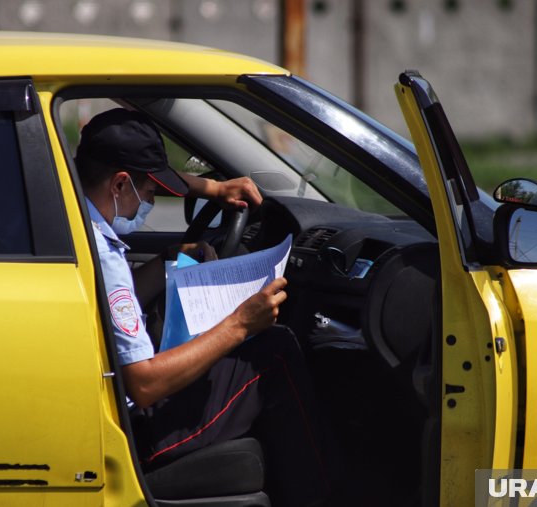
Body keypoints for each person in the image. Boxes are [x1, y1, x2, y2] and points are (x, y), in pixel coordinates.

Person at [75, 108, 339, 506]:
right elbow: (144, 385)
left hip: (103, 407)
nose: (150, 201)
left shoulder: (72, 213)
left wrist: (171, 254)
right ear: (119, 184)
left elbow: (109, 301)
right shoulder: (105, 253)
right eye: (149, 193)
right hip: (132, 429)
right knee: (273, 351)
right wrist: (239, 324)